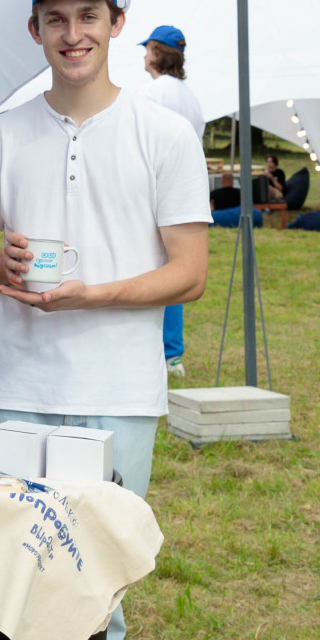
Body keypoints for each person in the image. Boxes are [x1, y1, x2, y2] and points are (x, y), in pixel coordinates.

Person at [0, 0, 210, 640]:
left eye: (88, 17)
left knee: (96, 576)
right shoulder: (2, 134)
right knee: (13, 569)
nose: (73, 34)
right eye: (57, 20)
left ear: (116, 24)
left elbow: (190, 274)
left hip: (119, 390)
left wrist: (92, 296)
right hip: (19, 383)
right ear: (36, 31)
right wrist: (0, 261)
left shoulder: (163, 134)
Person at [138, 24, 203, 378]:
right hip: (184, 192)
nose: (144, 56)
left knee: (153, 268)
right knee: (177, 269)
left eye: (147, 49)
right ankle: (173, 354)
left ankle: (159, 349)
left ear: (156, 53)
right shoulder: (190, 97)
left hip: (153, 189)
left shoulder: (151, 93)